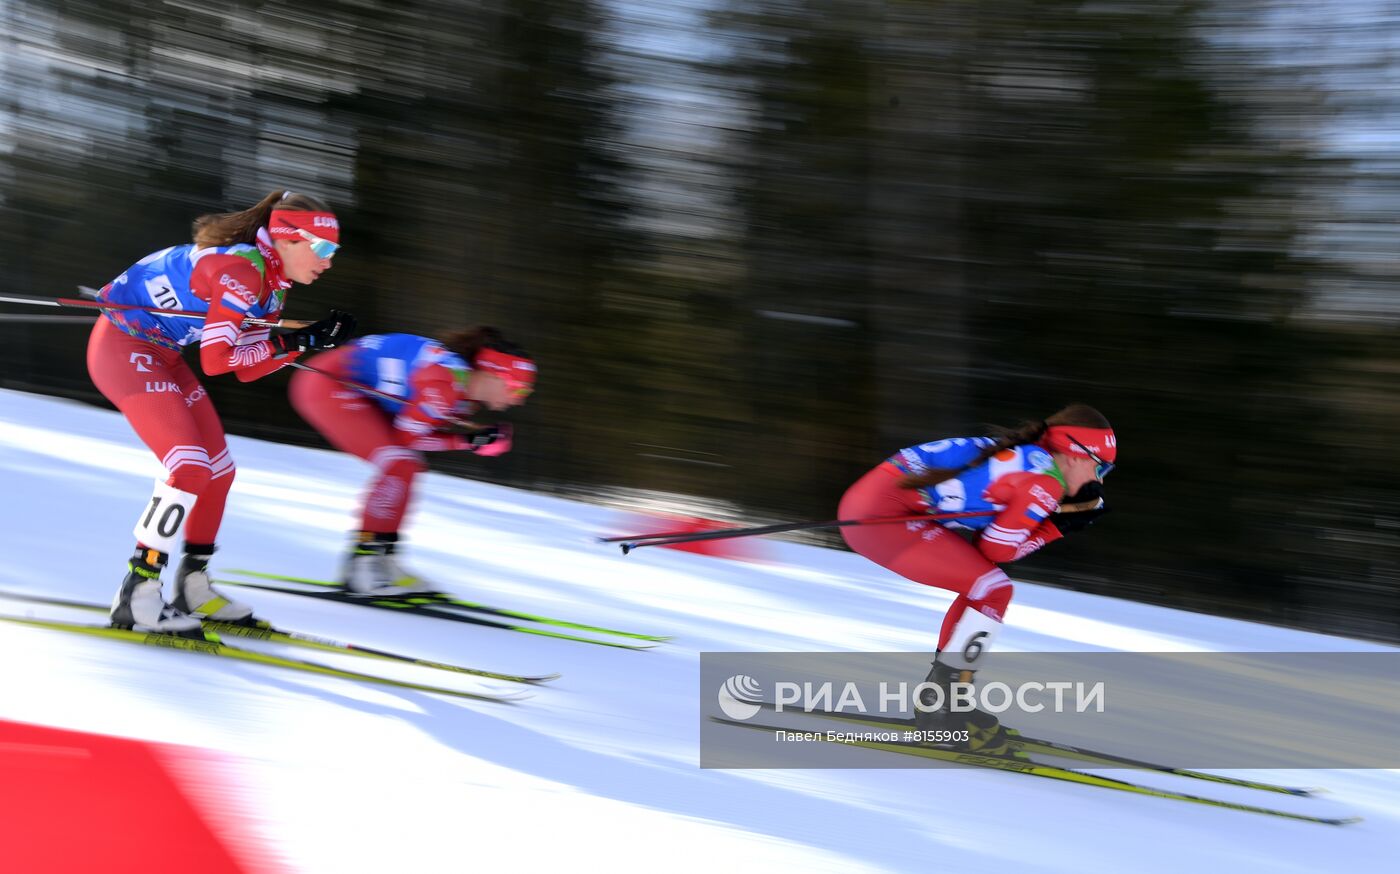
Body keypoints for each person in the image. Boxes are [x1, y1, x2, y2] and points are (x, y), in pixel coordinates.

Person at [87, 190, 357, 634]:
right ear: (289, 239)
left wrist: (305, 341)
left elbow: (247, 366)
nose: (328, 261)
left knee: (218, 470)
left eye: (334, 251)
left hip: (165, 355)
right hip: (124, 347)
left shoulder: (271, 284)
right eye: (323, 248)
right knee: (189, 467)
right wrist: (293, 342)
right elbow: (216, 361)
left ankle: (193, 585)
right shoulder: (242, 271)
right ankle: (138, 592)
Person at [838, 404, 1116, 752]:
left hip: (873, 507)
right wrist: (1055, 527)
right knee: (993, 588)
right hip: (883, 518)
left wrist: (1055, 517)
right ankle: (942, 709)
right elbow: (999, 551)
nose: (1100, 480)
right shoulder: (1044, 481)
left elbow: (986, 547)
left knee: (984, 586)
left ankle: (943, 703)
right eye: (1101, 466)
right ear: (1075, 455)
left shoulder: (1032, 458)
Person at [288, 327, 536, 595]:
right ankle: (364, 563)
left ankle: (382, 558)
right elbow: (407, 439)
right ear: (492, 374)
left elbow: (413, 430)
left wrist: (471, 439)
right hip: (327, 385)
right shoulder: (445, 385)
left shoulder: (461, 392)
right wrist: (467, 442)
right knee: (400, 462)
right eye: (517, 389)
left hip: (351, 387)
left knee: (406, 466)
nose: (518, 400)